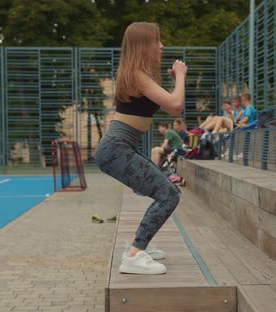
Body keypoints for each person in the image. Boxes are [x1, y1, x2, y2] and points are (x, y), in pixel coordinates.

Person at [94, 22, 187, 275]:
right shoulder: (137, 75)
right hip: (116, 149)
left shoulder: (136, 75)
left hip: (120, 148)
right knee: (169, 195)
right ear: (144, 45)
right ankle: (134, 255)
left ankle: (138, 246)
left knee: (165, 188)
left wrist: (172, 82)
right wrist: (180, 76)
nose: (161, 46)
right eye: (157, 41)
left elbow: (165, 99)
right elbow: (176, 105)